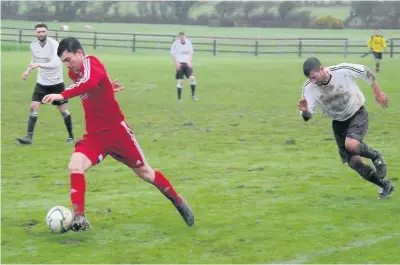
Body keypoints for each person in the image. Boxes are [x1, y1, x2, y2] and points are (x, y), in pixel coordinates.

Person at [42, 37, 195, 231]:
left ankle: (178, 201)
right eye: (63, 62)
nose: (66, 65)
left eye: (68, 59)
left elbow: (89, 82)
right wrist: (107, 88)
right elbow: (94, 87)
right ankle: (79, 217)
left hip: (117, 133)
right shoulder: (75, 72)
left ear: (80, 53)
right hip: (95, 136)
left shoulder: (91, 63)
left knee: (146, 173)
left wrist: (62, 95)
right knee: (75, 165)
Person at [298, 57, 394, 199]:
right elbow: (307, 116)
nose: (313, 81)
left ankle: (375, 156)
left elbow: (365, 72)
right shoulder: (309, 88)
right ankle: (384, 185)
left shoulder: (342, 70)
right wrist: (305, 111)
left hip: (357, 112)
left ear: (322, 69)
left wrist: (377, 92)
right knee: (353, 162)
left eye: (314, 77)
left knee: (352, 145)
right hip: (338, 122)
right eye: (310, 79)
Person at [18, 23, 74, 145]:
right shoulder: (33, 45)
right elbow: (34, 60)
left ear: (47, 32)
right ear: (35, 33)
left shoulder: (54, 44)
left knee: (63, 110)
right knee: (33, 107)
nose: (41, 34)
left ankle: (71, 137)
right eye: (38, 32)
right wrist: (28, 70)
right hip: (41, 82)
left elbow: (56, 63)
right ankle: (29, 138)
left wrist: (39, 65)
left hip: (56, 83)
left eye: (43, 31)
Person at [170, 32, 198, 102]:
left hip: (187, 64)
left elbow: (191, 53)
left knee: (192, 78)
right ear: (179, 37)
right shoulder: (175, 43)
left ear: (185, 36)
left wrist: (189, 61)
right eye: (181, 37)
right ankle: (179, 98)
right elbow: (173, 54)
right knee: (181, 81)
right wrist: (176, 63)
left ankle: (193, 95)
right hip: (180, 64)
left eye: (183, 37)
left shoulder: (189, 43)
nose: (182, 38)